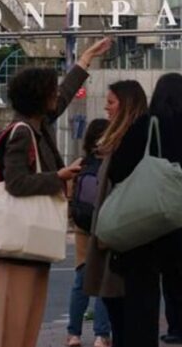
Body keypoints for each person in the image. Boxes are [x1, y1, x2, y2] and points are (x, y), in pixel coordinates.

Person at [0, 38, 112, 347]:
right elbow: (16, 182)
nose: (57, 92)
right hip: (20, 243)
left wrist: (83, 62)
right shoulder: (22, 133)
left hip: (31, 244)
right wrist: (58, 176)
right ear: (38, 98)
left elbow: (66, 96)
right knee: (15, 317)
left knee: (27, 315)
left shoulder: (38, 124)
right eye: (51, 90)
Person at [107, 73, 182, 347]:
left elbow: (118, 170)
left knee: (141, 301)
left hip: (144, 226)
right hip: (181, 224)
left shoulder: (146, 127)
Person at [84, 79, 147, 347]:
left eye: (111, 102)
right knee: (117, 305)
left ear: (126, 104)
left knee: (120, 306)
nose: (106, 108)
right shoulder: (123, 137)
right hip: (119, 233)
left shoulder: (131, 138)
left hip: (122, 236)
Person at [68, 118, 113, 347]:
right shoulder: (113, 163)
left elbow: (69, 195)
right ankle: (101, 335)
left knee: (81, 281)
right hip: (106, 228)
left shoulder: (81, 163)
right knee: (105, 282)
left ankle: (74, 334)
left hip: (83, 230)